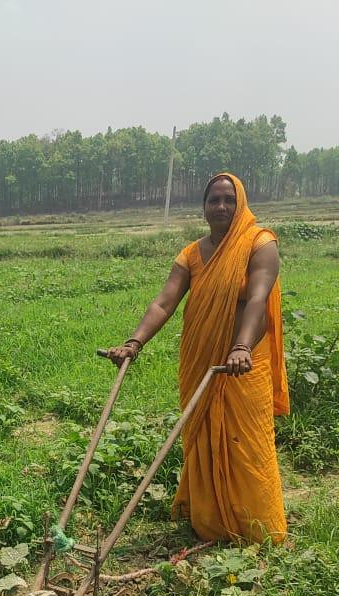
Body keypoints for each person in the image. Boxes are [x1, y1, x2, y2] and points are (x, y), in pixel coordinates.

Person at [103, 172, 289, 544]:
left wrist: (240, 347)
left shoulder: (260, 243)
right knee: (202, 437)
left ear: (241, 203)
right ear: (203, 207)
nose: (221, 206)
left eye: (229, 199)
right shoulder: (192, 253)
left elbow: (256, 299)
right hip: (201, 360)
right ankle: (209, 523)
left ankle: (258, 530)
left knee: (246, 443)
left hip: (245, 362)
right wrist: (134, 342)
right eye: (213, 200)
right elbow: (164, 301)